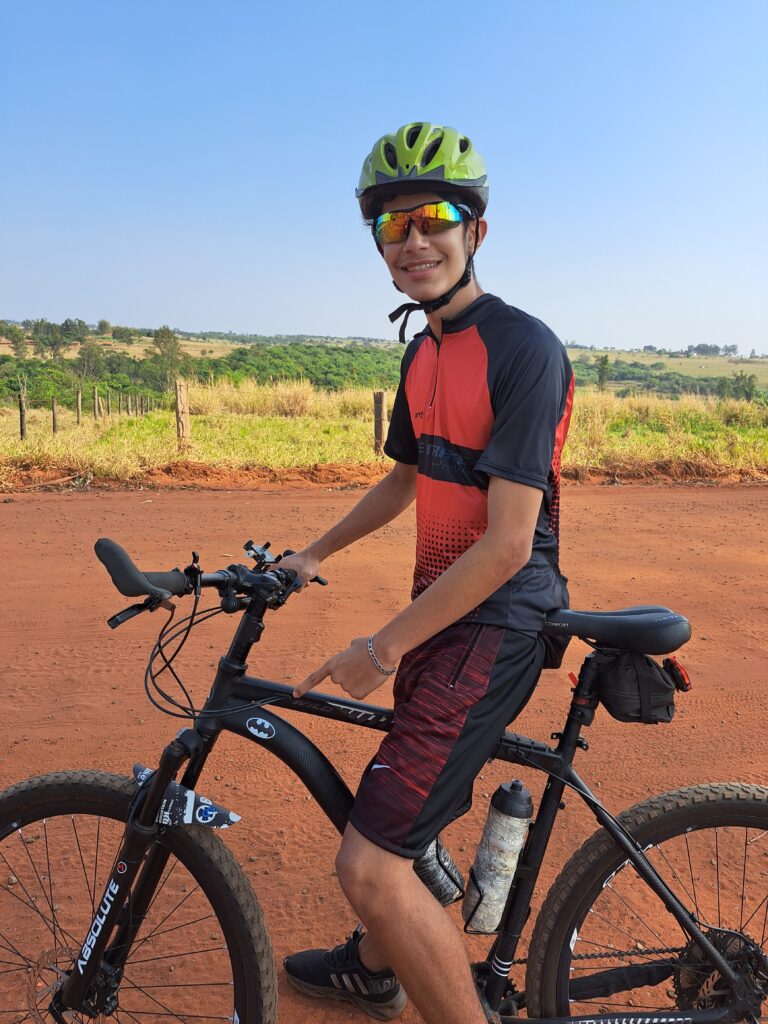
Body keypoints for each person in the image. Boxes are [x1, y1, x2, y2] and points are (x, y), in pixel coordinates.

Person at [281, 121, 575, 1024]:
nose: (413, 242)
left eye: (434, 218)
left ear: (475, 231)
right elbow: (408, 477)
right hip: (446, 618)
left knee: (368, 861)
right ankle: (377, 968)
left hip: (497, 621)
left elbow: (506, 544)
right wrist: (314, 553)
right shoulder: (423, 353)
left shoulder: (524, 348)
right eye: (391, 226)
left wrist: (383, 645)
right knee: (403, 809)